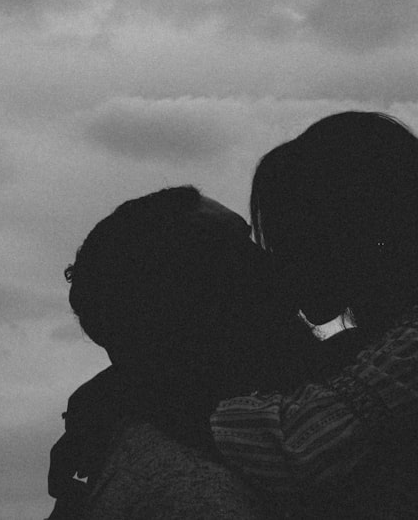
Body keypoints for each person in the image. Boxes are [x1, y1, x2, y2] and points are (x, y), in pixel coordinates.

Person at [211, 111, 418, 518]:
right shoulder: (398, 338)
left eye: (290, 233)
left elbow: (294, 445)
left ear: (347, 225)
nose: (278, 258)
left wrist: (150, 392)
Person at [48, 186, 314, 519]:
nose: (269, 263)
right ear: (191, 302)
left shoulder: (128, 425)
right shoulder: (200, 494)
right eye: (237, 251)